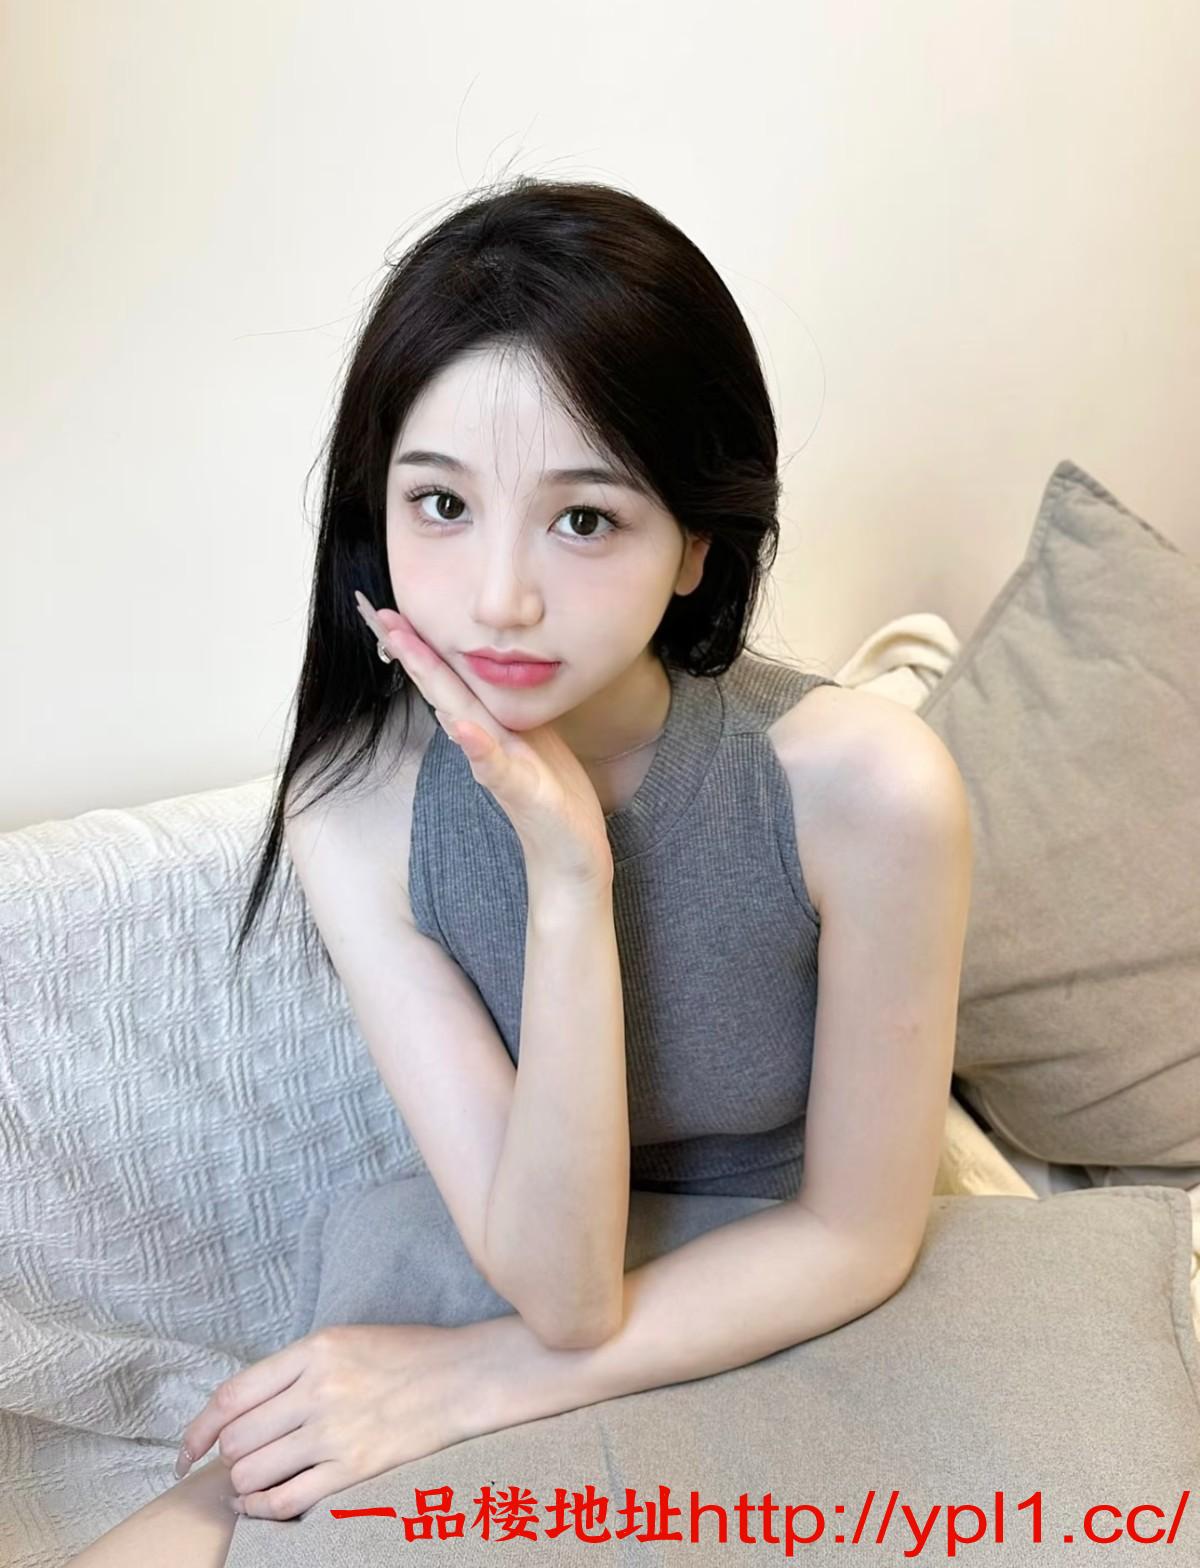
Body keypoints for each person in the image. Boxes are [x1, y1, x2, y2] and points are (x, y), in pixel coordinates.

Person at [68, 174, 971, 1566]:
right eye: (441, 504)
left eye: (584, 519)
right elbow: (561, 1287)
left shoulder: (867, 788)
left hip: (798, 1288)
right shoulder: (354, 810)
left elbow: (854, 1239)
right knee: (211, 1520)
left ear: (697, 546)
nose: (499, 597)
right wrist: (563, 881)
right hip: (524, 1252)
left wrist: (467, 1384)